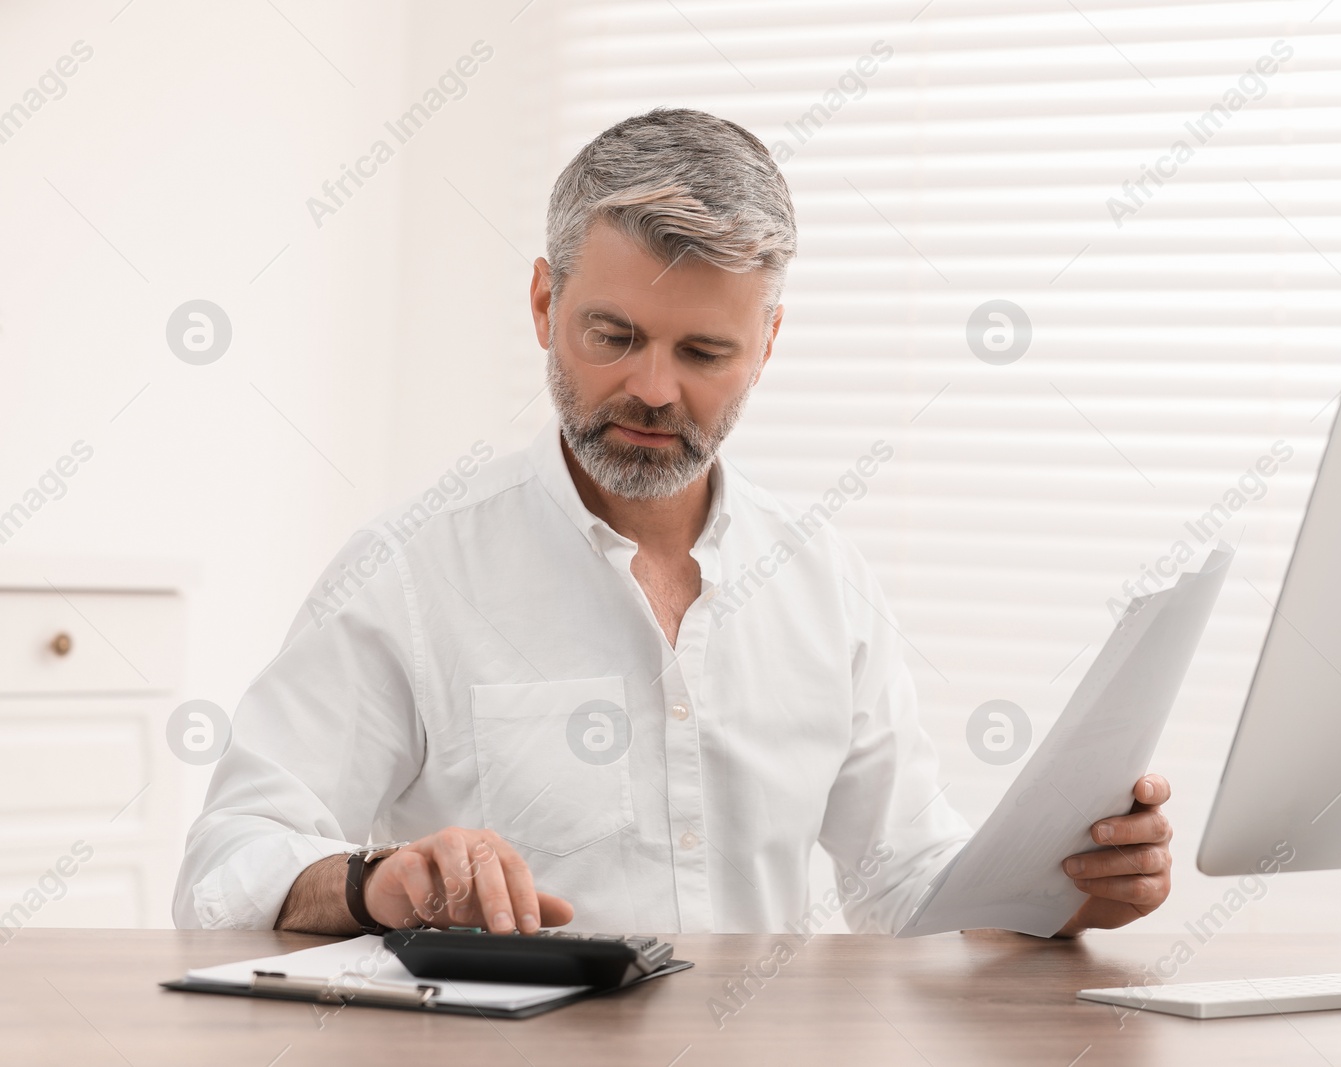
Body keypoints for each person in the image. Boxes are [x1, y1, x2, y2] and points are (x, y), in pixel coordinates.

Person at [174, 108, 1174, 939]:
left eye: (703, 351)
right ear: (542, 301)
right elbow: (226, 865)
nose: (652, 389)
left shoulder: (822, 579)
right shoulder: (409, 570)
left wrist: (1068, 891)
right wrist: (369, 879)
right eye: (614, 336)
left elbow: (904, 879)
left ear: (768, 342)